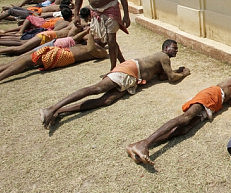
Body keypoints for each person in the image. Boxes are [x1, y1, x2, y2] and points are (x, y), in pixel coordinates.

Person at [39, 39, 190, 129]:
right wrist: (183, 73)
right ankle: (51, 108)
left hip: (132, 77)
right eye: (174, 48)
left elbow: (164, 76)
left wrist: (176, 70)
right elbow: (171, 78)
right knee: (96, 89)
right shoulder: (164, 56)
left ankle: (61, 111)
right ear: (165, 48)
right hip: (130, 70)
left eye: (176, 49)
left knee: (107, 100)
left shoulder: (162, 59)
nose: (176, 51)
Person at [126, 63, 231, 165]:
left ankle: (139, 145)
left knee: (185, 129)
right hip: (211, 95)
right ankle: (145, 144)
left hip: (214, 103)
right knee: (185, 118)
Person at [0, 34, 108, 87]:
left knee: (27, 60)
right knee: (26, 58)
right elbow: (77, 36)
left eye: (103, 37)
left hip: (64, 56)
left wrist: (91, 31)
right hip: (62, 53)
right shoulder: (88, 42)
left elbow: (91, 48)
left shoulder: (101, 51)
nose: (99, 36)